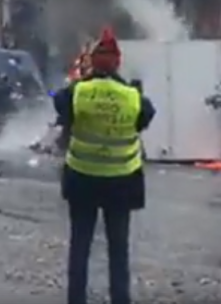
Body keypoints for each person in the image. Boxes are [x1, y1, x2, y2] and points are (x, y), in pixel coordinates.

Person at [53, 28, 156, 304]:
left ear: (92, 63)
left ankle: (76, 299)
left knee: (80, 247)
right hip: (121, 181)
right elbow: (145, 117)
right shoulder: (132, 96)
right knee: (118, 250)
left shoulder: (78, 91)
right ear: (118, 63)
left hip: (82, 179)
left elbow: (60, 106)